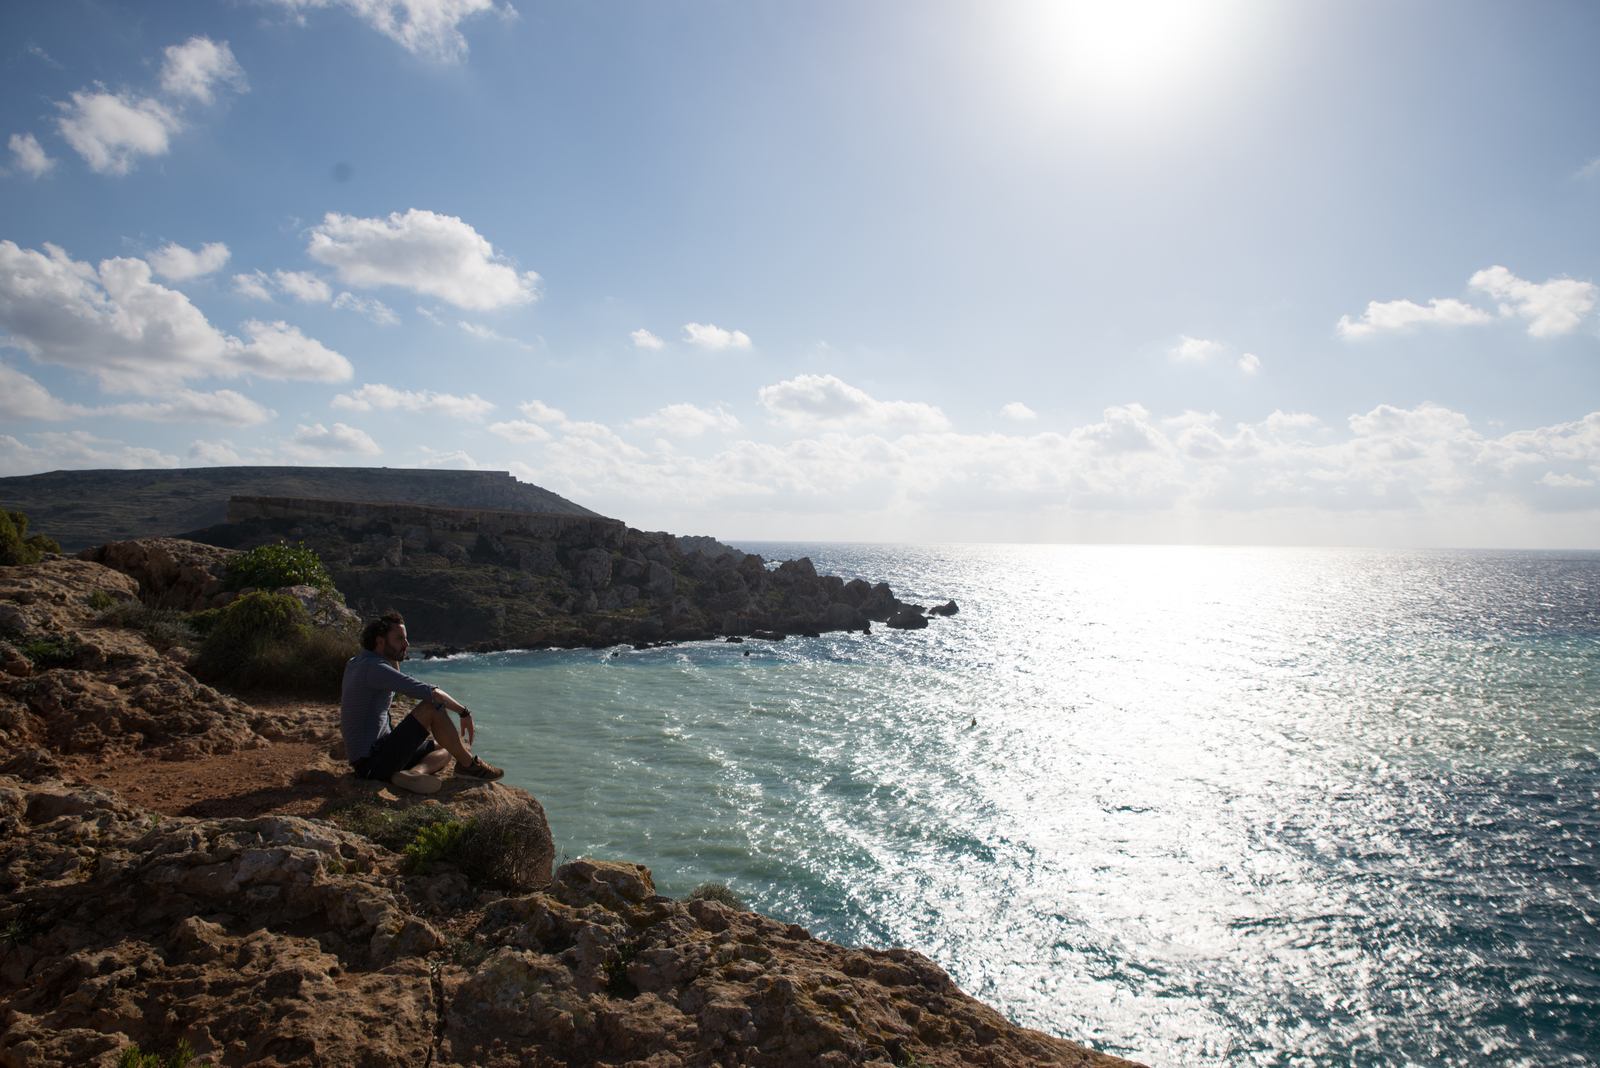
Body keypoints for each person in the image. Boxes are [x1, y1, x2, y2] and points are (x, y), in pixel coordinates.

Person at [341, 611, 504, 793]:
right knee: (431, 706)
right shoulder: (374, 669)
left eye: (406, 638)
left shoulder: (357, 662)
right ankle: (469, 766)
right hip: (372, 763)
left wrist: (394, 652)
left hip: (376, 756)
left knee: (447, 748)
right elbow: (431, 693)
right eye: (399, 639)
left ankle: (413, 773)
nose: (406, 644)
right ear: (380, 642)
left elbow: (396, 677)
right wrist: (463, 712)